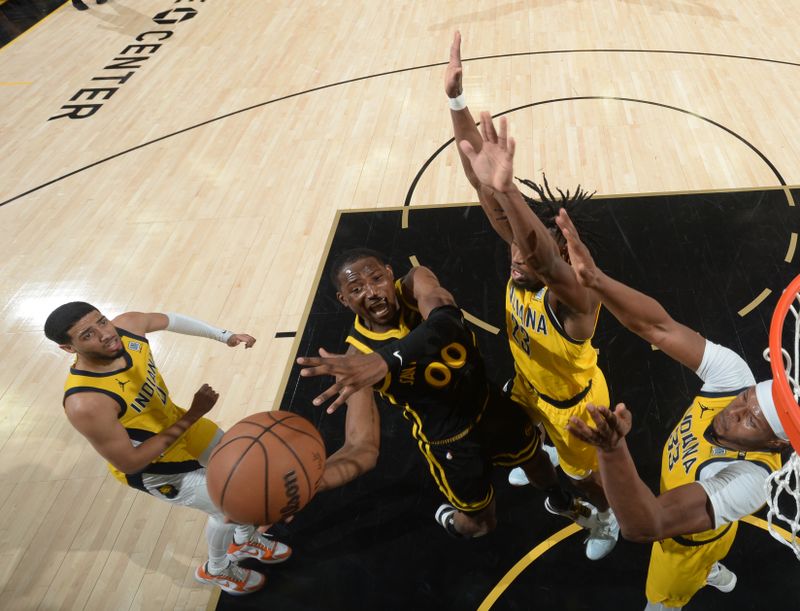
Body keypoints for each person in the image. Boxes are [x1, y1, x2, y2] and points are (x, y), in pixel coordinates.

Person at [45, 302, 379, 596]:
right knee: (228, 508)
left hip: (183, 425)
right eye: (87, 334)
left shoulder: (127, 327)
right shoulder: (85, 403)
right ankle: (217, 569)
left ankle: (244, 540)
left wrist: (225, 336)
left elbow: (171, 319)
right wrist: (193, 414)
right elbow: (131, 462)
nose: (104, 333)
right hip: (155, 466)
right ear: (67, 348)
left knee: (246, 476)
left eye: (101, 321)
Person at [554, 210, 789, 610]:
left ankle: (696, 576)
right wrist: (595, 278)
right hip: (709, 514)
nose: (735, 410)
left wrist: (613, 450)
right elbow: (657, 327)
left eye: (751, 419)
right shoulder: (735, 377)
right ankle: (714, 568)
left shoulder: (749, 479)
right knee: (719, 533)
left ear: (771, 443)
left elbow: (647, 524)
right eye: (746, 398)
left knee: (660, 601)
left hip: (682, 544)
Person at [447, 31, 618, 560]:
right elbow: (481, 183)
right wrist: (456, 102)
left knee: (586, 477)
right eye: (514, 251)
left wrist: (509, 189)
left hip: (577, 411)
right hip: (530, 386)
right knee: (523, 438)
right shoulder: (522, 264)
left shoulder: (576, 301)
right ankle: (545, 453)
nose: (514, 257)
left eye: (525, 251)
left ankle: (606, 516)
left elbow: (537, 252)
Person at [296, 249, 579, 539]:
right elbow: (361, 448)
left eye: (377, 278)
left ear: (390, 274)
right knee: (481, 524)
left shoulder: (415, 282)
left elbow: (447, 320)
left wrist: (387, 359)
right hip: (450, 439)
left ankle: (559, 500)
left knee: (535, 458)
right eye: (356, 289)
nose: (371, 292)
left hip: (486, 403)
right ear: (344, 300)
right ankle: (451, 520)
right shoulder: (358, 359)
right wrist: (307, 484)